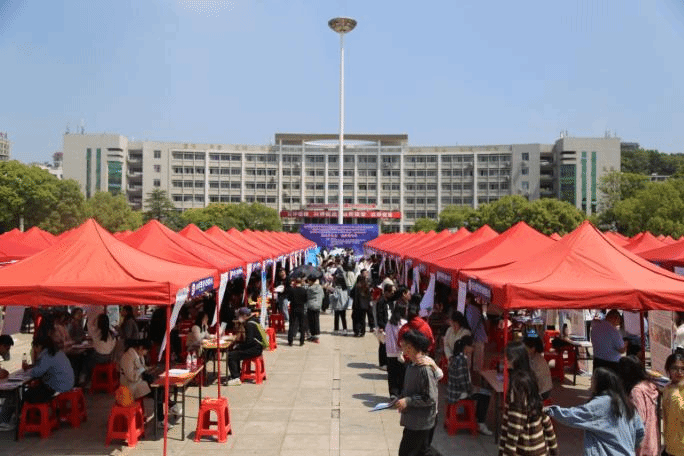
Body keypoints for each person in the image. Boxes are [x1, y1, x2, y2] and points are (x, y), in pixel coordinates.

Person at [547, 367, 643, 456]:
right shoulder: (627, 404)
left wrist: (550, 410)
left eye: (593, 379)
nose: (590, 380)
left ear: (601, 383)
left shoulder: (601, 404)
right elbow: (640, 432)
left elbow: (575, 415)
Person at [499, 341, 558, 456]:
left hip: (524, 448)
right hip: (539, 446)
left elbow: (515, 424)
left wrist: (507, 452)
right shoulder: (530, 377)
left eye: (508, 357)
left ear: (515, 359)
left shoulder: (517, 384)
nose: (505, 360)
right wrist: (553, 448)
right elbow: (544, 416)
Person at [396, 329, 439, 456]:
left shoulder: (424, 369)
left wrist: (408, 401)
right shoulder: (411, 365)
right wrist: (401, 399)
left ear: (410, 347)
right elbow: (410, 389)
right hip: (413, 420)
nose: (401, 347)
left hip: (421, 423)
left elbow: (430, 398)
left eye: (403, 345)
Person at [120, 338, 181, 426]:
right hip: (130, 386)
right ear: (140, 348)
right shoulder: (128, 357)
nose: (146, 353)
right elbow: (131, 377)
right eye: (146, 350)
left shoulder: (138, 355)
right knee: (158, 390)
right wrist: (142, 370)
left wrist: (149, 369)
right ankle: (166, 412)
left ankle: (167, 411)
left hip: (139, 382)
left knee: (159, 387)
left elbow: (142, 368)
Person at [447, 335, 493, 435]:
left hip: (454, 391)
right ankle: (480, 423)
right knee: (486, 395)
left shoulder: (456, 358)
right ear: (466, 347)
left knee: (482, 392)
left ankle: (476, 418)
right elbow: (462, 383)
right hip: (459, 394)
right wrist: (472, 389)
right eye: (472, 346)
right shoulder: (461, 360)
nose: (473, 349)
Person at [618, 356, 660, 456]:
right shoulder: (648, 385)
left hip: (641, 442)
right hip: (652, 438)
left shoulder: (636, 391)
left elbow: (639, 419)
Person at [24, 336, 75, 403]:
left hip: (58, 388)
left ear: (39, 346)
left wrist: (29, 371)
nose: (35, 350)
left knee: (27, 395)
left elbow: (37, 373)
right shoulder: (58, 352)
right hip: (68, 384)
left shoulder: (47, 355)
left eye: (34, 347)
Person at [224, 307, 264, 386]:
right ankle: (237, 374)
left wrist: (239, 346)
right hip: (258, 348)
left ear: (244, 316)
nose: (238, 318)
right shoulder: (255, 320)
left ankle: (235, 377)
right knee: (235, 353)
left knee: (231, 355)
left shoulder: (249, 324)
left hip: (254, 349)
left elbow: (249, 341)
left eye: (239, 316)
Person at [662, 350, 684, 456]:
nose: (679, 372)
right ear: (668, 370)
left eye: (683, 369)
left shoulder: (675, 390)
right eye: (675, 368)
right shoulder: (667, 388)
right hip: (670, 443)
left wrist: (675, 393)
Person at [385, 303, 407, 399]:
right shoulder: (403, 323)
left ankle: (393, 393)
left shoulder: (389, 323)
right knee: (401, 374)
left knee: (392, 374)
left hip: (390, 352)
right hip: (400, 352)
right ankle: (400, 392)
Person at [464, 292, 488, 377]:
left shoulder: (471, 309)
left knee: (473, 359)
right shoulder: (474, 308)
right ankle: (476, 376)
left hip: (475, 336)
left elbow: (472, 324)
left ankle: (473, 377)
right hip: (478, 336)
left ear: (469, 299)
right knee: (477, 361)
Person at [523, 336, 553, 400]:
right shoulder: (534, 357)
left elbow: (533, 379)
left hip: (543, 392)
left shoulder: (537, 360)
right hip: (543, 389)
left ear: (533, 348)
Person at [375, 282, 395, 368]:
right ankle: (382, 363)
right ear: (386, 292)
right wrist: (381, 326)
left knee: (388, 345)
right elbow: (379, 315)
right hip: (383, 325)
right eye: (391, 292)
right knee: (383, 345)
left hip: (390, 324)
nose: (392, 294)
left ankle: (387, 362)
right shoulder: (381, 302)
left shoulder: (390, 301)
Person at [286, 278, 308, 346]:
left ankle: (290, 340)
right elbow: (306, 300)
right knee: (302, 325)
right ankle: (301, 340)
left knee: (292, 324)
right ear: (301, 282)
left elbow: (289, 299)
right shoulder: (304, 290)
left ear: (295, 282)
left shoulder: (292, 290)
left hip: (293, 308)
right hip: (301, 308)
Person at [306, 275, 324, 343]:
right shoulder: (320, 288)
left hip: (310, 305)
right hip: (318, 305)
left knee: (311, 321)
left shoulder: (309, 289)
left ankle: (313, 335)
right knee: (316, 320)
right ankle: (316, 335)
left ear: (310, 281)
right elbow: (323, 295)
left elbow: (307, 296)